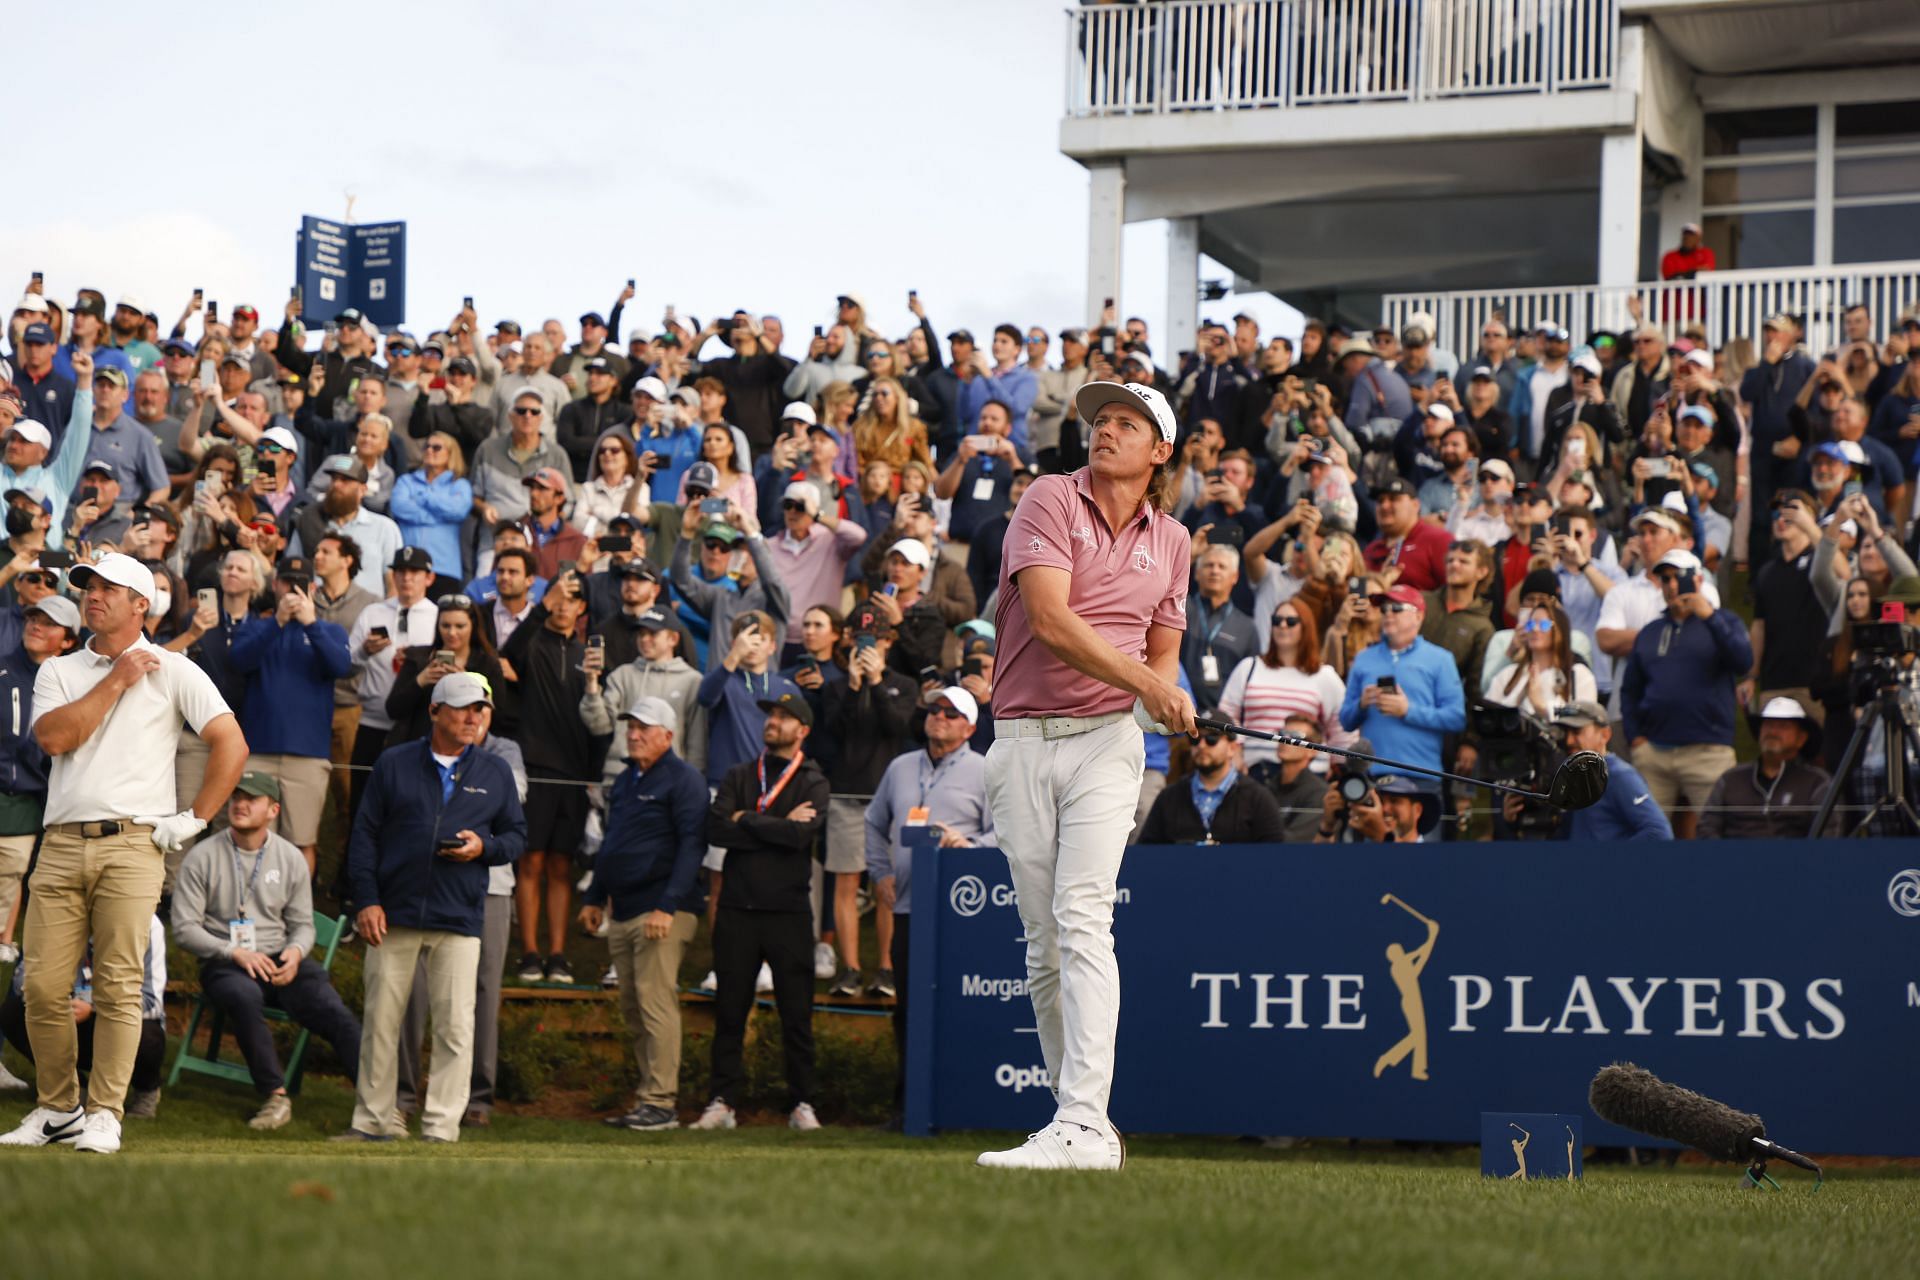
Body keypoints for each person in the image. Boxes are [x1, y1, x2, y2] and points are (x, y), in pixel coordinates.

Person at [977, 379, 1193, 1173]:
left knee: (1081, 917)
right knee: (1043, 946)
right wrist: (1152, 687)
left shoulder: (1173, 541)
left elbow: (1162, 651)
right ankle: (1082, 1123)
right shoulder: (1047, 498)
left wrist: (1162, 697)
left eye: (1126, 423)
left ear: (1159, 450)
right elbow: (1050, 620)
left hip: (1107, 744)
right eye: (1100, 421)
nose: (1105, 431)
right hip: (1023, 738)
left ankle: (1082, 1124)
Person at [0, 553, 244, 1155]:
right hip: (59, 846)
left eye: (110, 588)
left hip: (135, 844)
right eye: (88, 587)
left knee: (118, 986)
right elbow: (54, 738)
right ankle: (59, 1108)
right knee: (43, 989)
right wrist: (116, 679)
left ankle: (106, 1111)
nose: (93, 596)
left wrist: (194, 820)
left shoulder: (176, 668)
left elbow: (230, 743)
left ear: (142, 605)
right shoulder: (60, 669)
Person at [339, 673, 525, 1143]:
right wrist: (366, 900)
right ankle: (373, 1123)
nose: (472, 717)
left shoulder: (496, 771)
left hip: (459, 916)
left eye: (479, 709)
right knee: (381, 1024)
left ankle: (441, 1129)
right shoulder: (393, 763)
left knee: (456, 1028)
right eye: (462, 708)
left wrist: (483, 847)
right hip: (392, 913)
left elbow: (517, 838)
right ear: (435, 711)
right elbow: (363, 837)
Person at [170, 771, 363, 1130]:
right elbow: (184, 929)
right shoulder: (202, 856)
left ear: (272, 809)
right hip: (225, 961)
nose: (240, 804)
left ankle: (376, 1103)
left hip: (279, 959)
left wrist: (296, 953)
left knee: (332, 1009)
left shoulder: (290, 858)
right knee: (242, 996)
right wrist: (233, 952)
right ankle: (275, 1097)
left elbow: (303, 925)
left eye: (251, 799)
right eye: (236, 797)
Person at [691, 693, 829, 1133]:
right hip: (737, 909)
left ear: (802, 730)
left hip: (788, 911)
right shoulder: (738, 773)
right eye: (771, 715)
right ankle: (722, 1101)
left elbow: (800, 836)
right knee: (730, 1011)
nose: (773, 722)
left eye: (784, 717)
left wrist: (746, 819)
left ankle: (803, 1103)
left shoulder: (813, 780)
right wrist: (777, 824)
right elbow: (715, 827)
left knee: (796, 1015)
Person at [579, 697, 708, 1132]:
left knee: (655, 1005)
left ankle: (662, 1104)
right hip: (625, 910)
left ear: (667, 736)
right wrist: (594, 897)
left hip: (663, 912)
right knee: (634, 1009)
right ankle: (648, 1098)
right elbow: (612, 844)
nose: (633, 734)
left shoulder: (685, 780)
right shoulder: (627, 780)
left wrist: (667, 906)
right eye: (630, 726)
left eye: (644, 727)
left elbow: (693, 846)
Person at [865, 685, 996, 1109]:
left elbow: (1007, 832)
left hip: (963, 911)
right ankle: (907, 1107)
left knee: (959, 1005)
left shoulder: (986, 769)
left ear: (970, 727)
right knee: (907, 1006)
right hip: (907, 906)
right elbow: (873, 822)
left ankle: (962, 1103)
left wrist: (971, 848)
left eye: (951, 712)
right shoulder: (901, 766)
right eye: (934, 708)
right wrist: (880, 872)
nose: (938, 715)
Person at [499, 571, 600, 984]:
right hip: (536, 767)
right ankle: (529, 953)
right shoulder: (533, 644)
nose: (562, 604)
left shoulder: (588, 653)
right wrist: (541, 605)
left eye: (571, 598)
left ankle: (557, 954)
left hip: (574, 774)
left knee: (561, 865)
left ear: (583, 609)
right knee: (531, 860)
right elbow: (507, 650)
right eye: (555, 596)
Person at [818, 603, 918, 997]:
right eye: (861, 639)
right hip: (846, 793)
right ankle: (850, 968)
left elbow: (898, 727)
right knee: (844, 882)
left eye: (874, 639)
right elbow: (834, 732)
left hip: (889, 795)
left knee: (887, 885)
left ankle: (887, 968)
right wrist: (856, 686)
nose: (867, 646)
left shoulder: (902, 684)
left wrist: (876, 683)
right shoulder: (837, 685)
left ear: (888, 642)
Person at [228, 559, 352, 875]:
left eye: (301, 583)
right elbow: (239, 661)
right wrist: (277, 622)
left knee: (301, 840)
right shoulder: (257, 626)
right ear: (275, 585)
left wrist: (311, 624)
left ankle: (297, 915)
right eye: (287, 582)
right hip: (258, 751)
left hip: (307, 754)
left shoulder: (329, 630)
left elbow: (341, 666)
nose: (293, 590)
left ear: (313, 588)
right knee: (248, 836)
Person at [1620, 549, 1753, 840]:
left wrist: (1709, 616)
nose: (1669, 585)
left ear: (1698, 579)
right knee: (1646, 835)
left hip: (1708, 751)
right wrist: (1636, 738)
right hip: (1654, 752)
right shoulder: (1651, 631)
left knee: (1718, 835)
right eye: (1664, 578)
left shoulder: (1724, 622)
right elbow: (1630, 690)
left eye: (1676, 577)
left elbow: (1744, 662)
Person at [0, 595, 80, 966]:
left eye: (49, 623)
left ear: (68, 641)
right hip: (10, 796)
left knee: (12, 883)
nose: (36, 625)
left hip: (36, 806)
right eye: (33, 618)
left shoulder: (75, 687)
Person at [1338, 584, 1466, 813]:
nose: (1388, 614)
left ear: (1418, 615)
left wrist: (1408, 710)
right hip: (1374, 776)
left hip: (1422, 775)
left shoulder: (1440, 659)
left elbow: (1456, 718)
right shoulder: (1363, 658)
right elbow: (1346, 720)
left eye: (1396, 608)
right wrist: (1362, 704)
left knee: (1423, 848)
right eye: (1384, 608)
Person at [343, 547, 441, 832]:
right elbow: (346, 664)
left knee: (408, 805)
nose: (406, 578)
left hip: (416, 725)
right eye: (400, 571)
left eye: (414, 572)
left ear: (429, 578)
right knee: (362, 801)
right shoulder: (374, 611)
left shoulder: (437, 617)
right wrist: (364, 651)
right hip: (371, 720)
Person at [1214, 598, 1346, 776]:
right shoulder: (1249, 667)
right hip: (1255, 771)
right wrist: (1235, 750)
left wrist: (1339, 769)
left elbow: (1341, 728)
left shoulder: (1324, 676)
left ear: (1305, 627)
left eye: (1291, 621)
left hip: (1309, 775)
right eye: (1277, 621)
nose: (1282, 625)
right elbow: (1227, 715)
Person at [1532, 701, 1671, 841]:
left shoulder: (1620, 776)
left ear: (1605, 735)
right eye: (1565, 732)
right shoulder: (1565, 777)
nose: (1569, 741)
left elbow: (1658, 833)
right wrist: (1511, 822)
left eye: (1576, 731)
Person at [1697, 697, 1831, 840]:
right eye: (1768, 724)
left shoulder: (1817, 783)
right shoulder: (1731, 779)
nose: (1773, 731)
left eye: (1783, 726)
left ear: (1801, 738)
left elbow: (1829, 835)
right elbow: (1707, 828)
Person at [1139, 716, 1286, 844]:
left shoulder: (1258, 798)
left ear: (1232, 748)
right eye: (1194, 739)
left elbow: (1273, 853)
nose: (1202, 745)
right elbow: (1147, 851)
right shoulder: (1169, 797)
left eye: (1212, 739)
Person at [1483, 602, 1597, 720]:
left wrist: (1540, 706)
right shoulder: (1508, 675)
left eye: (1544, 625)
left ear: (1560, 630)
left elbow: (1583, 716)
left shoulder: (1577, 674)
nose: (1535, 629)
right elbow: (1487, 716)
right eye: (1530, 624)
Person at [1182, 543, 1260, 715]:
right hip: (1176, 714)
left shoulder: (1246, 627)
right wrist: (1190, 557)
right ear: (1196, 573)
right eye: (1209, 565)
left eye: (1221, 566)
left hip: (1222, 724)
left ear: (1235, 577)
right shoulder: (1180, 608)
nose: (1214, 571)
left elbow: (1250, 682)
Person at [389, 432, 473, 586]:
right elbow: (399, 508)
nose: (429, 450)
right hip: (408, 565)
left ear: (450, 454)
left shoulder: (460, 484)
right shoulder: (406, 480)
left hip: (444, 567)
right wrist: (438, 517)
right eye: (426, 446)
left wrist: (424, 497)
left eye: (436, 448)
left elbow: (458, 510)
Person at [1364, 478, 1452, 592]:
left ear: (1415, 505)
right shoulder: (1371, 550)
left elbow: (1455, 594)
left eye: (1393, 499)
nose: (1384, 506)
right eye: (1380, 501)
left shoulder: (1438, 540)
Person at [1266, 713, 1331, 842]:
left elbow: (1295, 839)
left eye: (1295, 736)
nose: (1285, 740)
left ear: (1312, 750)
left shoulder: (1319, 792)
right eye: (1281, 733)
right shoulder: (1267, 786)